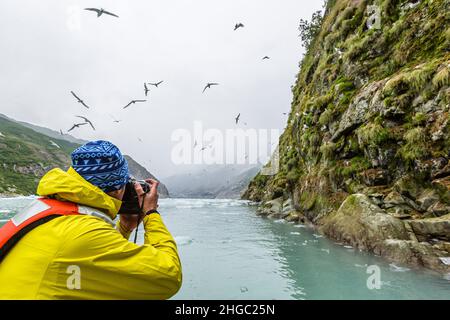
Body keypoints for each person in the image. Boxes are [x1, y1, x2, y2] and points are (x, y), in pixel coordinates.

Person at [0, 140, 182, 299]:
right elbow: (168, 276)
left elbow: (92, 259)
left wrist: (125, 228)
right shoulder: (82, 231)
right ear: (118, 189)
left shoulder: (48, 210)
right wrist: (151, 214)